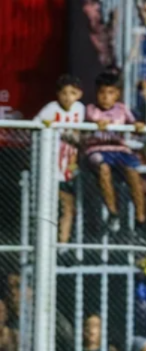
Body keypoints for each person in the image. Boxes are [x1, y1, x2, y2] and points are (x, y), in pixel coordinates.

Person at [84, 71, 146, 235]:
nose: (105, 97)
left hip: (119, 149)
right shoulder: (91, 109)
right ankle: (113, 213)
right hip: (98, 149)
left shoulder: (122, 109)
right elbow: (93, 119)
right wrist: (98, 123)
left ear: (117, 94)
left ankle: (141, 218)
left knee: (133, 173)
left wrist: (138, 126)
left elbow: (135, 124)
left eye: (110, 93)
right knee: (103, 168)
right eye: (102, 92)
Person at [35, 74, 85, 244]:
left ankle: (61, 245)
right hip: (50, 168)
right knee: (50, 207)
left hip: (68, 169)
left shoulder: (80, 109)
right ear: (57, 94)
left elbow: (81, 135)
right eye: (64, 93)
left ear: (79, 94)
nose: (67, 97)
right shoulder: (50, 109)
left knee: (68, 208)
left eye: (72, 93)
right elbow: (35, 126)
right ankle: (45, 245)